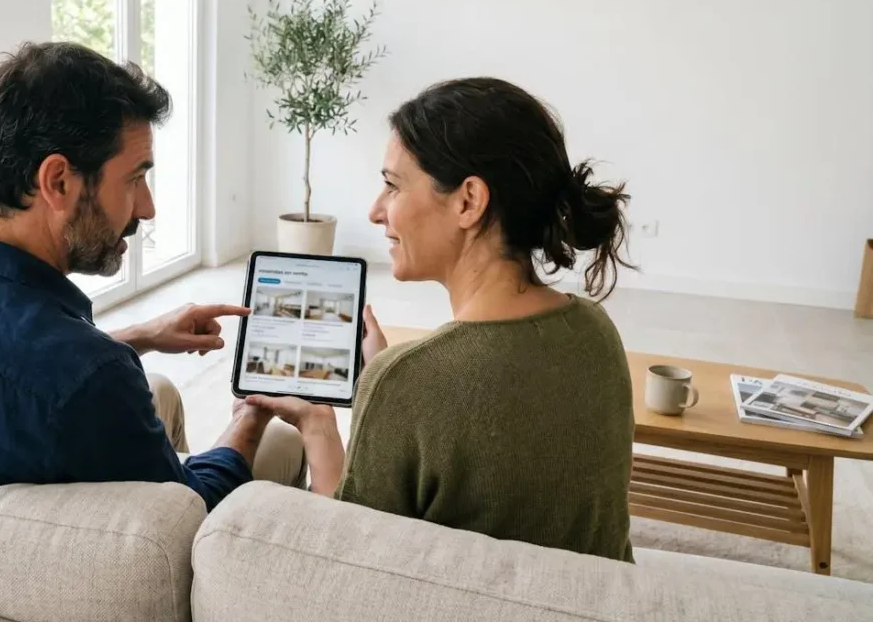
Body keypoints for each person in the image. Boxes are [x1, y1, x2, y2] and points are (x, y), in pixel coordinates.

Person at [0, 42, 304, 511]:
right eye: (134, 179)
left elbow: (11, 361)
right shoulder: (91, 381)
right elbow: (187, 513)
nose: (147, 207)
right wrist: (252, 412)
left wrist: (140, 336)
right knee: (283, 443)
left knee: (160, 387)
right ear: (58, 182)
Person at [249, 77, 637, 562]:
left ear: (469, 201)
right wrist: (388, 380)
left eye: (392, 186)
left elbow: (350, 564)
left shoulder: (408, 382)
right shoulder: (596, 332)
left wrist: (318, 425)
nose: (375, 211)